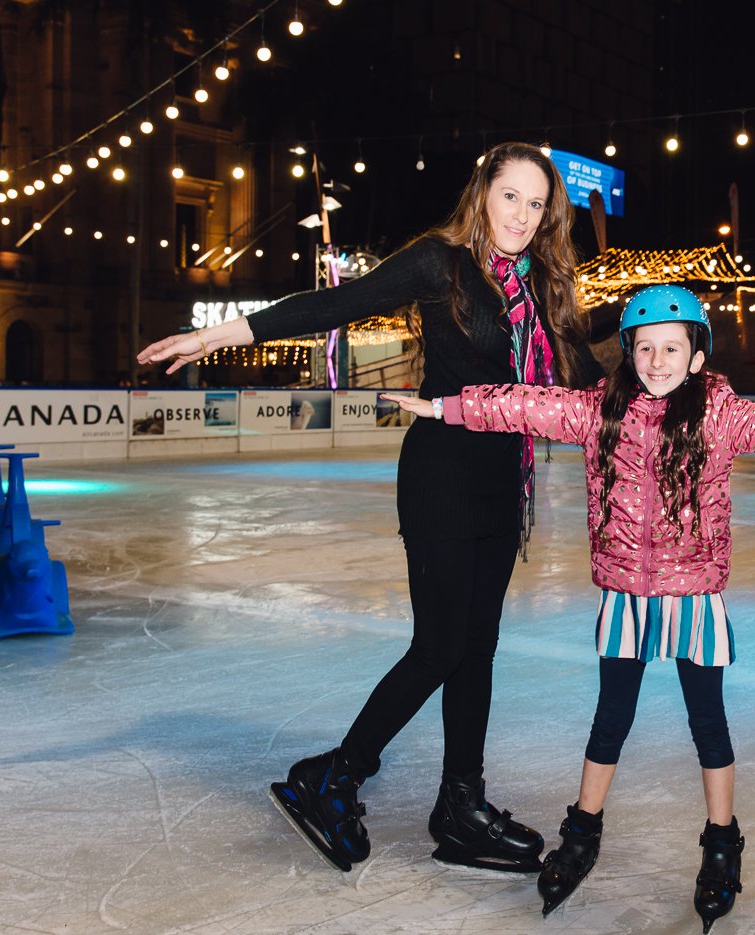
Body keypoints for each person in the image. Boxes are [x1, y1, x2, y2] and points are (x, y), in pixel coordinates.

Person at [383, 284, 755, 931]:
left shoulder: (721, 414)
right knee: (609, 721)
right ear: (629, 353)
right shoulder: (603, 412)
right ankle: (583, 831)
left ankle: (720, 840)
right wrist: (444, 407)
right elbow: (524, 405)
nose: (657, 360)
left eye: (672, 348)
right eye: (645, 348)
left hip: (695, 595)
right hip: (626, 592)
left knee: (708, 722)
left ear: (698, 356)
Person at [137, 142, 607, 876]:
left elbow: (581, 376)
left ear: (551, 214)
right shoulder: (439, 262)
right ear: (483, 192)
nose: (521, 213)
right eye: (509, 195)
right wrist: (211, 335)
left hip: (501, 482)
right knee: (441, 645)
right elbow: (333, 305)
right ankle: (336, 773)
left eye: (536, 202)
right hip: (442, 476)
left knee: (476, 649)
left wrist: (666, 384)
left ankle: (461, 805)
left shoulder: (543, 285)